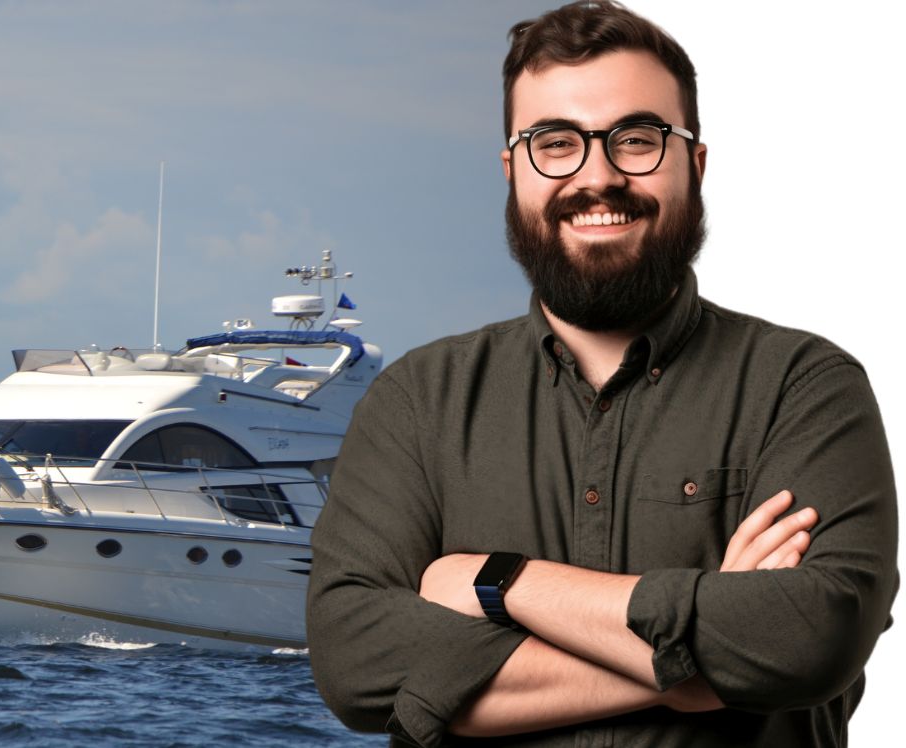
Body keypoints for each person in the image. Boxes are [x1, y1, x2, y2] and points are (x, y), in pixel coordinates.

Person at [305, 2, 899, 746]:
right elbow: (354, 662)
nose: (598, 175)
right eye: (555, 143)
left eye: (638, 140)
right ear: (512, 168)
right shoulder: (416, 405)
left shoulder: (806, 387)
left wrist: (500, 584)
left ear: (696, 163)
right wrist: (695, 668)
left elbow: (809, 637)